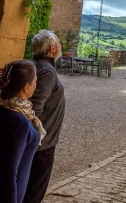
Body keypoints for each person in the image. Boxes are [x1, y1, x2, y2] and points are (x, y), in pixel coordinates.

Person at [24, 30, 65, 203]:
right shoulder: (47, 71)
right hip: (42, 146)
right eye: (59, 43)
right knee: (34, 191)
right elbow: (34, 107)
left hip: (37, 143)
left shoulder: (35, 66)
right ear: (53, 48)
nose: (61, 46)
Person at [0, 60, 46, 203]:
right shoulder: (20, 122)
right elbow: (9, 172)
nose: (36, 85)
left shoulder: (6, 109)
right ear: (26, 88)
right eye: (35, 81)